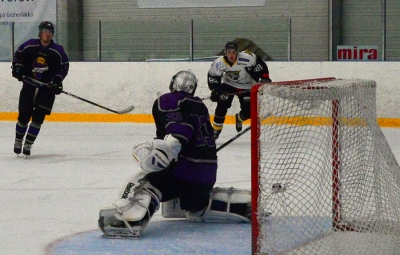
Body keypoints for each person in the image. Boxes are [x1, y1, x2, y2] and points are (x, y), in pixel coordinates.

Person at [98, 70, 251, 238]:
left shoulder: (169, 100)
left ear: (173, 84)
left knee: (146, 182)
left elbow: (179, 134)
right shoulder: (200, 105)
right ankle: (238, 206)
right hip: (206, 176)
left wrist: (165, 153)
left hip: (184, 174)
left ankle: (129, 221)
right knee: (196, 207)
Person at [11, 21, 69, 156]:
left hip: (47, 89)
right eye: (44, 31)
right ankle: (18, 140)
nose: (47, 34)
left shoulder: (58, 50)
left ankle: (28, 144)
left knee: (38, 117)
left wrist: (57, 80)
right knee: (24, 116)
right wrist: (18, 68)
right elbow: (18, 57)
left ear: (52, 34)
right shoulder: (29, 45)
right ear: (40, 33)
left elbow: (64, 67)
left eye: (49, 32)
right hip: (29, 86)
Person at [207, 41, 271, 139]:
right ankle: (215, 131)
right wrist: (215, 90)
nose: (231, 55)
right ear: (225, 53)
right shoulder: (219, 62)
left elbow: (260, 63)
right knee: (221, 106)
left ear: (237, 52)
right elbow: (213, 76)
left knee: (250, 111)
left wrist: (264, 77)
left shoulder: (247, 57)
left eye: (233, 52)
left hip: (247, 86)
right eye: (229, 52)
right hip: (229, 84)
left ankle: (239, 118)